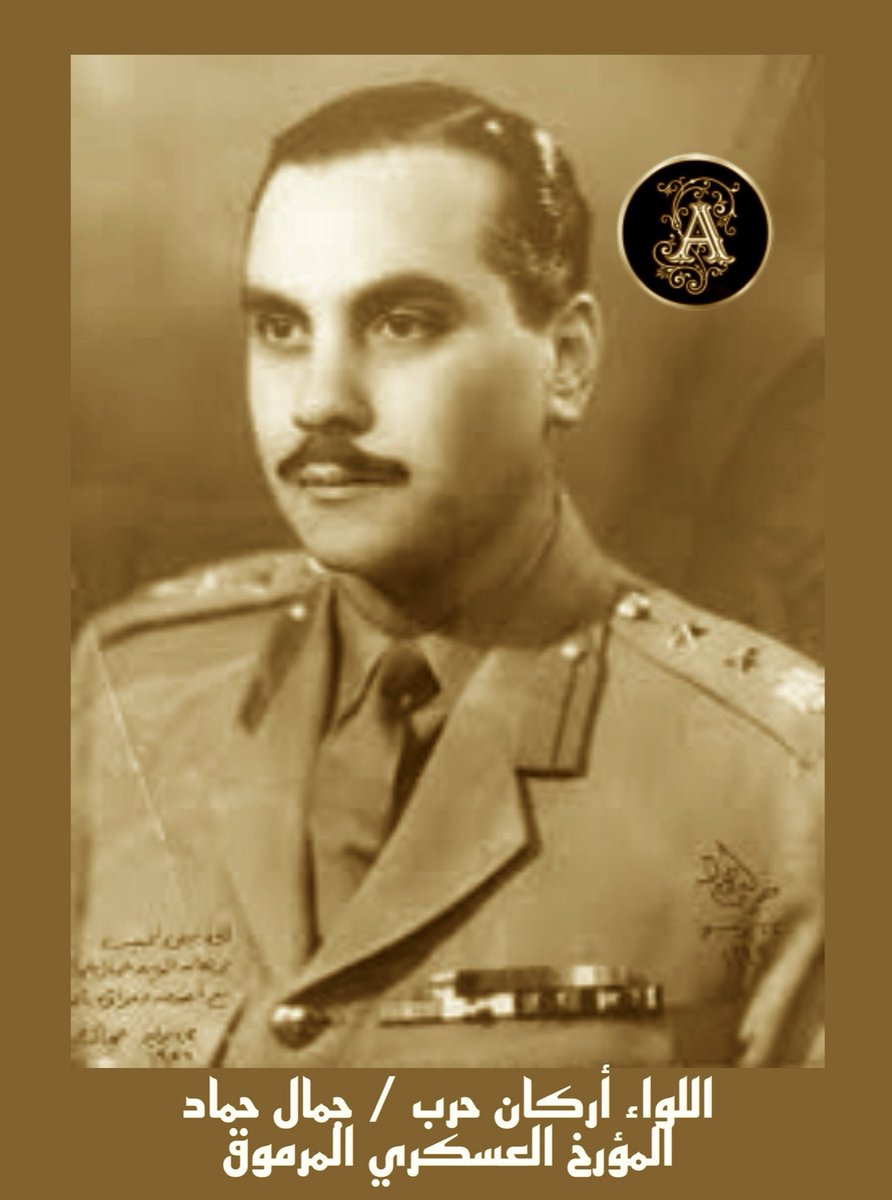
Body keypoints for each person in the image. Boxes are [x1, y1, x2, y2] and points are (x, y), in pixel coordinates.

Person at [71, 81, 824, 1068]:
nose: (318, 402)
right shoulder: (130, 688)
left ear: (566, 362)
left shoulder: (785, 780)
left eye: (404, 321)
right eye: (281, 327)